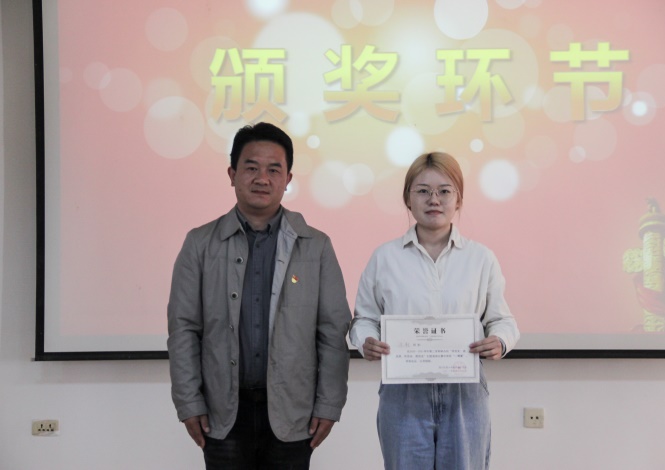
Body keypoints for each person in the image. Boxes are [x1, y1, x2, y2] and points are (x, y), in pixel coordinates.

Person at [167, 122, 351, 469]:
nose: (262, 179)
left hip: (293, 411)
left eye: (273, 170)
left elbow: (332, 331)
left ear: (288, 179)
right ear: (232, 174)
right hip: (223, 413)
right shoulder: (200, 244)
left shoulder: (316, 246)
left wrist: (330, 404)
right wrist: (188, 402)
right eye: (251, 168)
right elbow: (183, 329)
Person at [349, 152, 519, 470]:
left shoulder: (481, 258)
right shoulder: (385, 258)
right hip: (403, 392)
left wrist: (499, 340)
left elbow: (502, 320)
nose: (434, 200)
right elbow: (364, 319)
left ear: (459, 199)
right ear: (408, 199)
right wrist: (365, 341)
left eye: (444, 191)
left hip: (464, 393)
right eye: (423, 191)